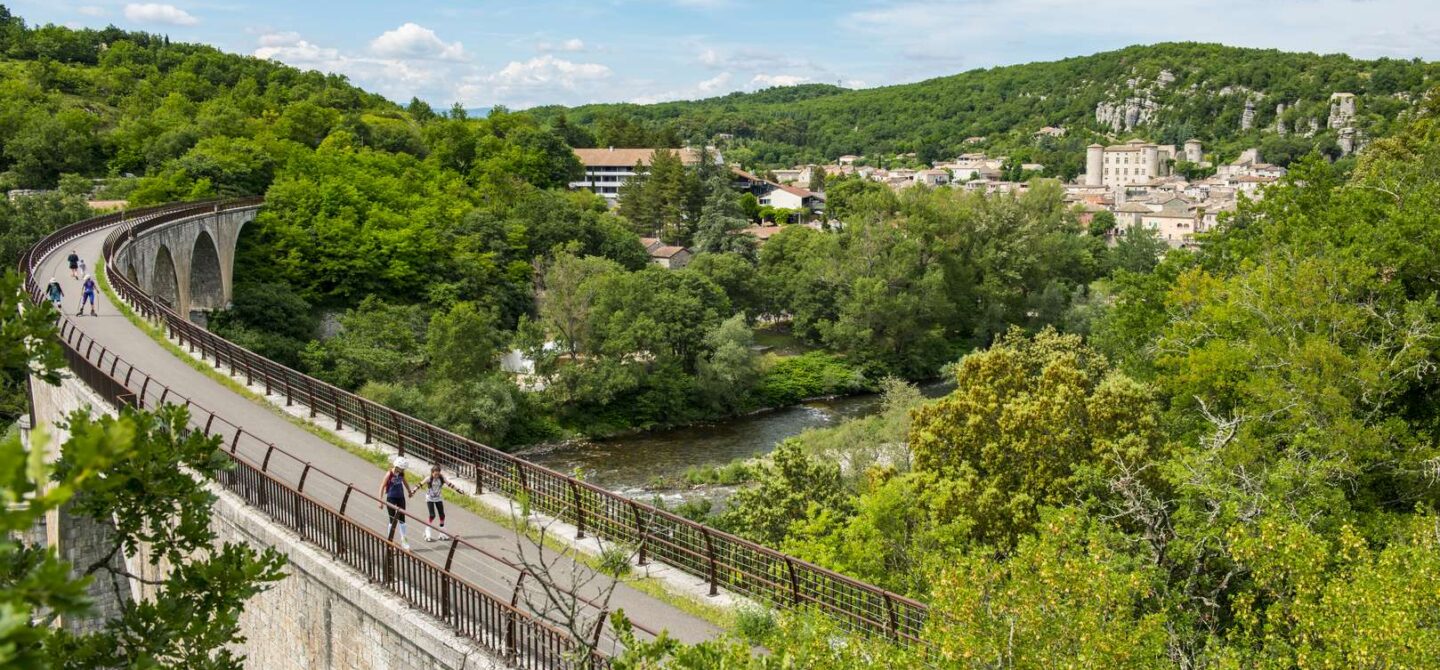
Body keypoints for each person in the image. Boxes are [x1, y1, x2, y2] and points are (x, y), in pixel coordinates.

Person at [379, 456, 411, 550]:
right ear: (397, 466)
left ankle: (404, 540)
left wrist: (409, 491)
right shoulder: (389, 474)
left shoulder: (401, 474)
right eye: (402, 468)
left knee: (402, 520)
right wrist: (380, 500)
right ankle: (390, 540)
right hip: (391, 498)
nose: (403, 470)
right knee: (392, 520)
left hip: (401, 497)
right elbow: (382, 486)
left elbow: (404, 482)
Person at [414, 465, 449, 542]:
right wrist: (413, 491)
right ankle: (427, 531)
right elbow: (420, 484)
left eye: (438, 474)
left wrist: (459, 490)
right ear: (432, 473)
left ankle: (442, 533)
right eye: (435, 474)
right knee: (432, 515)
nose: (436, 476)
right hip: (430, 498)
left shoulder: (441, 478)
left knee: (442, 515)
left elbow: (449, 484)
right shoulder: (429, 478)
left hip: (438, 498)